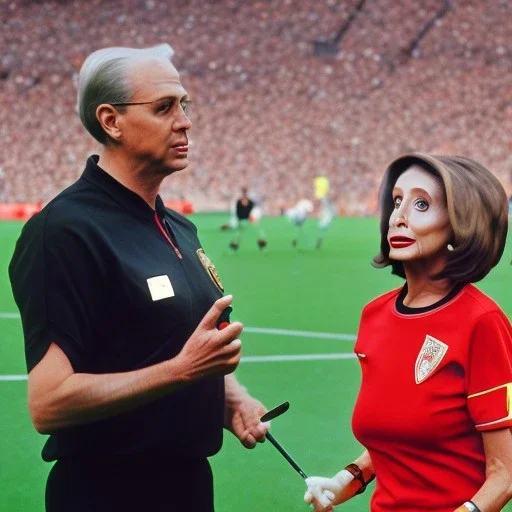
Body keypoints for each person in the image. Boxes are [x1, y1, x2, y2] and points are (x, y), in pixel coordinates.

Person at [9, 44, 269, 512]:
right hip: (109, 492)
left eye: (185, 104)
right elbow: (48, 403)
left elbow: (178, 350)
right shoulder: (65, 231)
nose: (185, 120)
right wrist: (180, 371)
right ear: (111, 121)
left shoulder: (177, 227)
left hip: (188, 485)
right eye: (165, 107)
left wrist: (233, 400)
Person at [304, 153, 512, 512]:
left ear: (461, 223)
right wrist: (347, 479)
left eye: (421, 204)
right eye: (397, 201)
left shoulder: (482, 322)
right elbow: (399, 434)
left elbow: (504, 472)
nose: (398, 216)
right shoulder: (375, 315)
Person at [228, 187, 267, 251]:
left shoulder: (248, 201)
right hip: (244, 220)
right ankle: (234, 245)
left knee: (241, 234)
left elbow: (249, 210)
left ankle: (262, 244)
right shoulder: (241, 201)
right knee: (240, 234)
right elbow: (239, 212)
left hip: (247, 220)